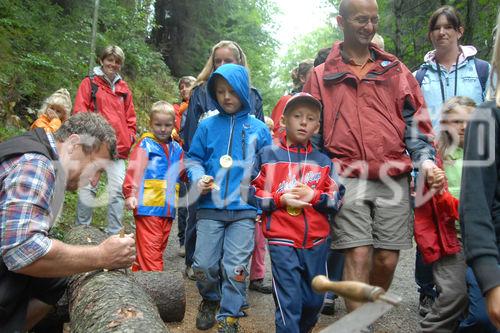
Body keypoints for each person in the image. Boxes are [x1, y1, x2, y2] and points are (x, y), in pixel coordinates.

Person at [303, 0, 440, 317]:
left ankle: (365, 311)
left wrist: (426, 159)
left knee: (387, 259)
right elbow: (312, 132)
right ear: (341, 21)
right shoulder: (322, 75)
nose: (368, 26)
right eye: (360, 20)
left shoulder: (396, 71)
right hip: (345, 174)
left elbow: (416, 121)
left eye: (374, 20)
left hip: (392, 173)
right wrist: (317, 176)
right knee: (359, 253)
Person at [0, 112, 136, 332]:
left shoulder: (38, 151)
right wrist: (102, 256)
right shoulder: (37, 164)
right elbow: (21, 250)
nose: (93, 181)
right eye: (95, 168)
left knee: (54, 280)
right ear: (73, 144)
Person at [413, 5, 491, 317]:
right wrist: (420, 157)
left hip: (472, 151)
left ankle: (469, 288)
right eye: (436, 27)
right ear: (430, 34)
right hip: (432, 154)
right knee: (430, 219)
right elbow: (414, 116)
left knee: (470, 214)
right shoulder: (420, 75)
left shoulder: (482, 69)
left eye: (449, 27)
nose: (442, 32)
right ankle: (428, 289)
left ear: (460, 31)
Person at [249, 92, 344, 333]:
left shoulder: (323, 161)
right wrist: (279, 199)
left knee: (314, 302)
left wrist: (315, 197)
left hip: (316, 241)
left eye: (310, 118)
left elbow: (336, 198)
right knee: (288, 300)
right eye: (297, 116)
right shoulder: (268, 156)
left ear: (317, 126)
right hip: (282, 239)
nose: (304, 122)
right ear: (283, 121)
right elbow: (249, 192)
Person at [186, 63, 271, 332]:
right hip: (210, 206)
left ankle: (230, 315)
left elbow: (270, 167)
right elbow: (193, 159)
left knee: (235, 266)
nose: (226, 97)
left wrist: (262, 198)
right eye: (220, 91)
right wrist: (197, 177)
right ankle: (211, 299)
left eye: (232, 91)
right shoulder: (207, 126)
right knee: (204, 265)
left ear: (244, 92)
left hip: (244, 209)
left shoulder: (258, 128)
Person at [181, 40, 264, 280]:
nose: (221, 65)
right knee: (198, 221)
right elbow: (191, 141)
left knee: (236, 246)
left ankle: (232, 291)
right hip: (207, 173)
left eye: (228, 61)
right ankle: (196, 266)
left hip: (240, 190)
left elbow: (259, 144)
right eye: (217, 61)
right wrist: (196, 174)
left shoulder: (252, 95)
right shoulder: (200, 92)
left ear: (240, 64)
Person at [414, 96, 475, 333]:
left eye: (469, 121)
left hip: (483, 237)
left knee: (477, 296)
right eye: (456, 121)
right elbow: (427, 207)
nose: (463, 126)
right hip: (451, 239)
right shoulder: (436, 159)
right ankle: (431, 328)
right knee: (454, 293)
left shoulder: (487, 153)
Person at [460, 11, 500, 331]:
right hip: (494, 253)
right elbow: (474, 203)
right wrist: (491, 278)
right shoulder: (488, 119)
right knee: (481, 320)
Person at [73, 45, 136, 235]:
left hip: (118, 149)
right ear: (102, 60)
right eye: (110, 60)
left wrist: (130, 137)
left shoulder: (124, 90)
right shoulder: (89, 83)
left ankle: (114, 235)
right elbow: (80, 113)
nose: (113, 64)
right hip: (94, 148)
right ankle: (81, 232)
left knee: (117, 191)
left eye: (117, 61)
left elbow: (131, 119)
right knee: (88, 187)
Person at [123, 101, 183, 272]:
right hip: (148, 207)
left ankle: (138, 282)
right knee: (152, 254)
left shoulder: (177, 148)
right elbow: (134, 170)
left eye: (167, 125)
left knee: (155, 249)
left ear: (174, 125)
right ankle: (156, 287)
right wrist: (130, 193)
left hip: (168, 208)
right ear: (150, 124)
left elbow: (184, 171)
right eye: (158, 124)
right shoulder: (146, 145)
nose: (163, 129)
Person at [248, 115, 275, 295]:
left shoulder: (272, 155)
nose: (270, 132)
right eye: (267, 129)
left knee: (259, 244)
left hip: (259, 209)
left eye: (272, 129)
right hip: (246, 206)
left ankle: (257, 277)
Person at [174, 75, 196, 258]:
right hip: (181, 159)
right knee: (183, 201)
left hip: (197, 159)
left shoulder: (203, 107)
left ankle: (195, 243)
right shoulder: (176, 110)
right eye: (181, 86)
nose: (183, 89)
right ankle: (182, 241)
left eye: (187, 85)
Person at [270, 59, 314, 137]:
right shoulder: (287, 100)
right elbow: (277, 132)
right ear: (302, 78)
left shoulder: (316, 104)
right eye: (314, 74)